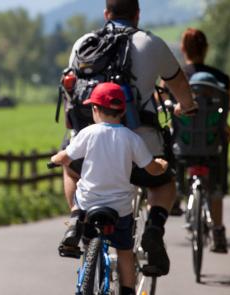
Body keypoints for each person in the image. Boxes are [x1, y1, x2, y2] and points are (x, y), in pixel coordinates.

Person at [59, 0, 197, 277]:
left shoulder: (83, 43)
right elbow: (179, 85)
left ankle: (76, 217)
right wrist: (188, 107)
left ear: (106, 14)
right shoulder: (151, 43)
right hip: (139, 142)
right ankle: (154, 230)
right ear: (137, 15)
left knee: (70, 169)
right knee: (163, 180)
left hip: (89, 150)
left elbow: (71, 96)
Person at [51, 82, 169, 295]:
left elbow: (66, 157)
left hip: (89, 202)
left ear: (94, 109)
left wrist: (55, 158)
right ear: (123, 110)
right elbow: (151, 169)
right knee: (124, 251)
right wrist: (161, 165)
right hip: (120, 208)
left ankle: (75, 224)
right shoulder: (132, 138)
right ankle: (127, 289)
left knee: (81, 198)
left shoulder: (87, 133)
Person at [177, 27, 230, 254]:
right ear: (206, 49)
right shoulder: (220, 77)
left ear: (182, 48)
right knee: (215, 175)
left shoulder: (177, 76)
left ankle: (175, 194)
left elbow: (161, 101)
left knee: (169, 137)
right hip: (212, 144)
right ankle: (218, 231)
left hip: (183, 145)